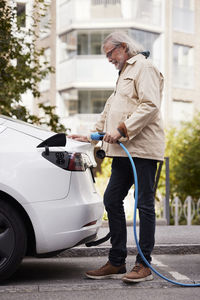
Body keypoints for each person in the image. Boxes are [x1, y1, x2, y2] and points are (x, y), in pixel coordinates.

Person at [69, 31, 165, 283]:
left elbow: (150, 105)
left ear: (123, 47)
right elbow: (110, 109)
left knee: (144, 205)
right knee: (112, 199)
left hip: (144, 150)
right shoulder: (123, 74)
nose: (109, 59)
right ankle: (116, 261)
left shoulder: (143, 67)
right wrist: (90, 136)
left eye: (110, 53)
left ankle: (143, 265)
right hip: (124, 151)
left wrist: (122, 130)